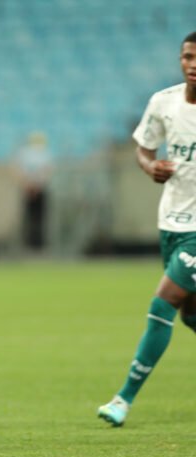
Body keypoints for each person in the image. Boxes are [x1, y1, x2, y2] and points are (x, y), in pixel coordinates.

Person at [98, 32, 196, 427]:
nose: (193, 64)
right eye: (188, 56)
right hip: (171, 222)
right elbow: (144, 147)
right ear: (180, 60)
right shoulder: (164, 102)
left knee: (163, 302)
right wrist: (148, 166)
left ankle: (123, 399)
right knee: (191, 315)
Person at [13, 131, 53, 251]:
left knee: (41, 218)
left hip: (38, 189)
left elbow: (47, 171)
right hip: (28, 189)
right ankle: (27, 244)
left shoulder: (42, 154)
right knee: (27, 218)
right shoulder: (27, 154)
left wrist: (35, 185)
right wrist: (28, 184)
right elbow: (17, 169)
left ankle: (39, 244)